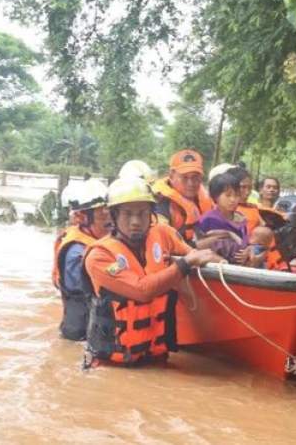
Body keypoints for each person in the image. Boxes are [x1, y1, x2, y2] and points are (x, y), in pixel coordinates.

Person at [83, 177, 219, 367]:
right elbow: (142, 290)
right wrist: (185, 265)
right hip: (114, 366)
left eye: (142, 213)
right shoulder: (99, 256)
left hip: (155, 359)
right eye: (127, 214)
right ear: (113, 216)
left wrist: (220, 262)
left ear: (151, 214)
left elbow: (195, 254)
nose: (136, 222)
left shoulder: (163, 234)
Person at [52, 179, 111, 341]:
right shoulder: (76, 252)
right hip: (80, 334)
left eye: (109, 211)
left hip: (93, 329)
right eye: (102, 214)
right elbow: (97, 288)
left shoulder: (96, 241)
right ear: (82, 217)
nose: (109, 219)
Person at [195, 172, 263, 266]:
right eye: (228, 195)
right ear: (215, 197)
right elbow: (202, 247)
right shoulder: (209, 220)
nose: (233, 200)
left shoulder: (241, 219)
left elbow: (245, 243)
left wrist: (248, 250)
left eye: (236, 195)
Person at [152, 149, 214, 243]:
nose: (191, 183)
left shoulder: (203, 197)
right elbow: (162, 245)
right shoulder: (161, 204)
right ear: (172, 175)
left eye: (195, 177)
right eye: (184, 177)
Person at [229, 167, 265, 235]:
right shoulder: (222, 209)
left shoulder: (253, 208)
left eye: (250, 188)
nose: (247, 192)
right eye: (243, 187)